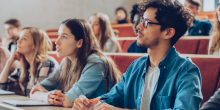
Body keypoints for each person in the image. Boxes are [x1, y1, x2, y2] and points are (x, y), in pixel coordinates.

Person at [72, 0, 202, 110]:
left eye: (146, 22)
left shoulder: (187, 71)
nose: (138, 26)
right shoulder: (136, 66)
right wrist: (91, 104)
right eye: (141, 21)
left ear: (168, 33)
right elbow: (112, 97)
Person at [30, 18, 122, 108]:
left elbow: (68, 102)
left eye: (64, 37)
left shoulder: (96, 63)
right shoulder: (67, 61)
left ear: (79, 43)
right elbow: (35, 90)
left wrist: (46, 95)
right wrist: (46, 96)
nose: (57, 42)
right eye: (58, 36)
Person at [0, 27, 59, 96]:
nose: (18, 41)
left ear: (35, 45)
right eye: (19, 38)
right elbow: (2, 87)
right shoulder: (25, 66)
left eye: (24, 38)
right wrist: (9, 61)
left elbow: (38, 94)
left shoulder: (47, 63)